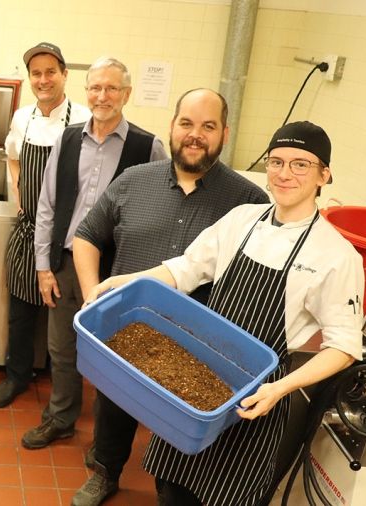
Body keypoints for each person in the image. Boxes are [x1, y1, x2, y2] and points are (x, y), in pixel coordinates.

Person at [87, 121, 363, 506]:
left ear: (324, 174)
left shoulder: (335, 256)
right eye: (277, 162)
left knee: (225, 497)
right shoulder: (242, 220)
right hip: (201, 380)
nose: (285, 174)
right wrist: (126, 281)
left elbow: (344, 347)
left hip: (259, 398)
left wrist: (278, 389)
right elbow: (185, 268)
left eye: (301, 164)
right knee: (172, 490)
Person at [69, 88, 269, 506]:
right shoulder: (133, 181)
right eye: (187, 123)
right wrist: (92, 296)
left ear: (224, 134)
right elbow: (87, 236)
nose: (195, 135)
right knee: (113, 409)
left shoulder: (249, 201)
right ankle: (105, 472)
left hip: (196, 346)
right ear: (172, 127)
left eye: (208, 126)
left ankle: (171, 488)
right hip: (127, 330)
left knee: (181, 426)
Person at [25, 57, 167, 449]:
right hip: (66, 264)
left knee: (113, 358)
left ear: (127, 94)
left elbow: (160, 210)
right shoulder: (68, 139)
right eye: (95, 88)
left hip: (115, 272)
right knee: (61, 348)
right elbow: (47, 206)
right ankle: (61, 417)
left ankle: (107, 442)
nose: (102, 96)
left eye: (111, 88)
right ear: (85, 91)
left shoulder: (148, 146)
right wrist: (43, 267)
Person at [0, 42, 91, 409]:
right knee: (21, 312)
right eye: (36, 73)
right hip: (29, 228)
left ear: (65, 75)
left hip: (67, 238)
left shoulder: (82, 119)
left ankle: (57, 384)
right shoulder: (22, 118)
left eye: (51, 72)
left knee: (62, 317)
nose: (44, 79)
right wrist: (20, 197)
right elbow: (13, 158)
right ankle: (17, 375)